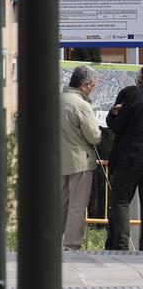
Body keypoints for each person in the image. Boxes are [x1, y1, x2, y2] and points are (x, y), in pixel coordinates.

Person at [59, 66, 102, 251]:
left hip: (56, 161)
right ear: (84, 85)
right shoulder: (82, 105)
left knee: (59, 205)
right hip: (80, 163)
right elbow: (93, 136)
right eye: (92, 86)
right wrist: (100, 132)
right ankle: (71, 245)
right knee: (77, 206)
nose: (92, 89)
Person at [106, 71, 143, 250]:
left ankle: (121, 246)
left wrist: (113, 114)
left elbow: (118, 126)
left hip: (129, 159)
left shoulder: (134, 97)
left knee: (120, 200)